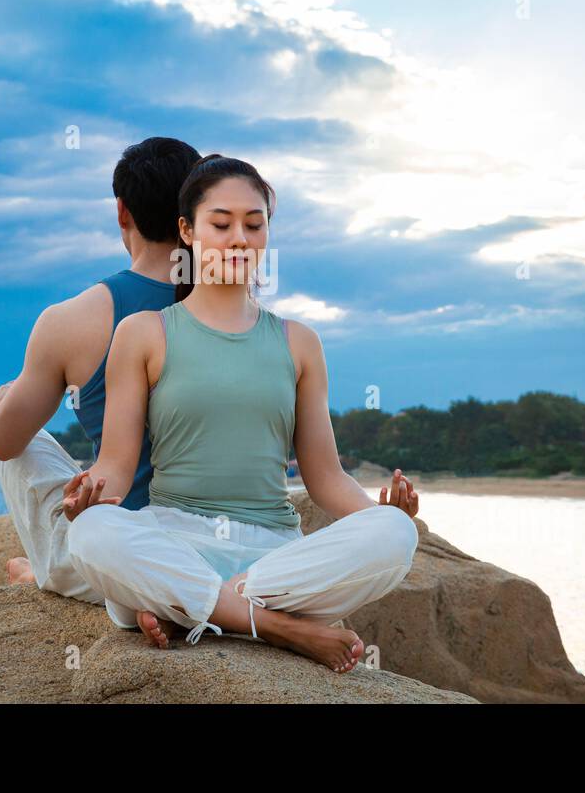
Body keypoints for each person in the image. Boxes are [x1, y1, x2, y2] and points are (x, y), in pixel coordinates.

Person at [60, 154, 420, 673]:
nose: (239, 239)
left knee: (395, 536)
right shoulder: (143, 333)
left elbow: (325, 477)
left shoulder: (299, 343)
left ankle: (200, 608)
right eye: (221, 224)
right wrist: (87, 499)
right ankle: (274, 626)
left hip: (273, 560)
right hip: (174, 537)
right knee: (93, 534)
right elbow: (115, 465)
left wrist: (383, 515)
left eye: (254, 225)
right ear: (187, 230)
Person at [0, 137, 201, 604]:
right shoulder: (231, 309)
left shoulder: (70, 319)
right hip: (214, 552)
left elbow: (4, 444)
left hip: (115, 558)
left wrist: (1, 405)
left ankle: (49, 570)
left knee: (18, 430)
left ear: (122, 211)